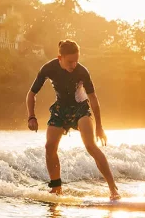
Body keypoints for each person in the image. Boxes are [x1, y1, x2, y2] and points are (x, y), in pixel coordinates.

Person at [26, 39, 120, 199]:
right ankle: (56, 188)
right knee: (49, 146)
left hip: (80, 108)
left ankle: (113, 189)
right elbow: (31, 94)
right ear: (60, 58)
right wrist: (31, 116)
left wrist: (99, 127)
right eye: (70, 61)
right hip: (60, 109)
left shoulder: (82, 72)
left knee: (90, 146)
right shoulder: (49, 68)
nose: (74, 64)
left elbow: (93, 99)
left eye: (76, 60)